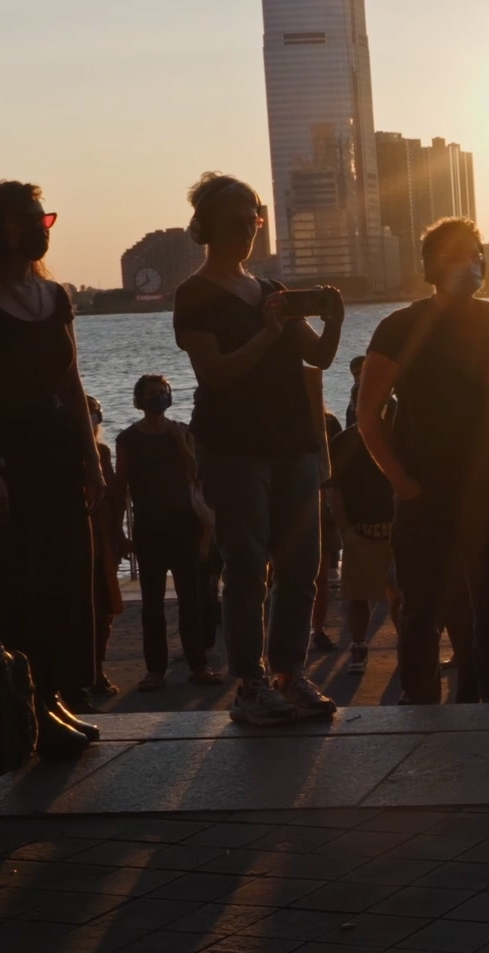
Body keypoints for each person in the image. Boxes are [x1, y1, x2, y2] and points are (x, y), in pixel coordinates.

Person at [173, 172, 344, 725]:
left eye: (253, 220)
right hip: (233, 447)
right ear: (205, 228)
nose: (247, 230)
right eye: (236, 222)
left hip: (294, 440)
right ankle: (248, 683)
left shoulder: (272, 292)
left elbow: (318, 357)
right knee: (246, 565)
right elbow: (216, 375)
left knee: (303, 565)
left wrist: (333, 320)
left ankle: (289, 674)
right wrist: (270, 333)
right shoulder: (194, 295)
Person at [357, 217, 489, 705]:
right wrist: (402, 482)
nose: (470, 263)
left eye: (476, 253)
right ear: (431, 266)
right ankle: (420, 703)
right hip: (423, 492)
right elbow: (367, 414)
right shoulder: (399, 328)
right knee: (420, 611)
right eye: (458, 254)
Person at [0, 180, 102, 756]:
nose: (40, 227)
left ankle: (55, 695)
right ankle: (26, 705)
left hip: (58, 456)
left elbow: (72, 380)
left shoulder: (55, 296)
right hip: (9, 464)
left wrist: (90, 458)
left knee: (66, 578)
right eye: (29, 219)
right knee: (21, 584)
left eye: (44, 218)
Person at [115, 374, 222, 691]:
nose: (158, 397)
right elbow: (121, 488)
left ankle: (198, 664)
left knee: (192, 599)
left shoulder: (182, 432)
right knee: (152, 603)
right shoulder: (127, 440)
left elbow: (196, 474)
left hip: (184, 526)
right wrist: (119, 532)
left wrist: (179, 442)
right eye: (151, 393)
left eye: (162, 392)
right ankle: (155, 670)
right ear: (139, 400)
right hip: (149, 528)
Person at [326, 403, 399, 678]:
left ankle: (405, 646)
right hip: (362, 529)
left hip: (393, 527)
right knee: (359, 596)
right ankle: (359, 646)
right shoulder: (343, 442)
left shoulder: (396, 436)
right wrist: (346, 530)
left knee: (398, 594)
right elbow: (335, 490)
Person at [80, 395, 125, 705]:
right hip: (82, 539)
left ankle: (97, 668)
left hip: (105, 541)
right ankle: (84, 671)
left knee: (106, 607)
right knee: (84, 607)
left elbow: (113, 497)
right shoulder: (69, 454)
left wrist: (119, 534)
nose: (93, 419)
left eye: (96, 413)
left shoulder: (104, 452)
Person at [310, 409, 344, 652]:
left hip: (322, 500)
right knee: (317, 577)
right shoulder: (328, 421)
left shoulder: (328, 422)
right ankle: (315, 630)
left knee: (319, 577)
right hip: (319, 500)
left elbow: (340, 461)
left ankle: (316, 629)